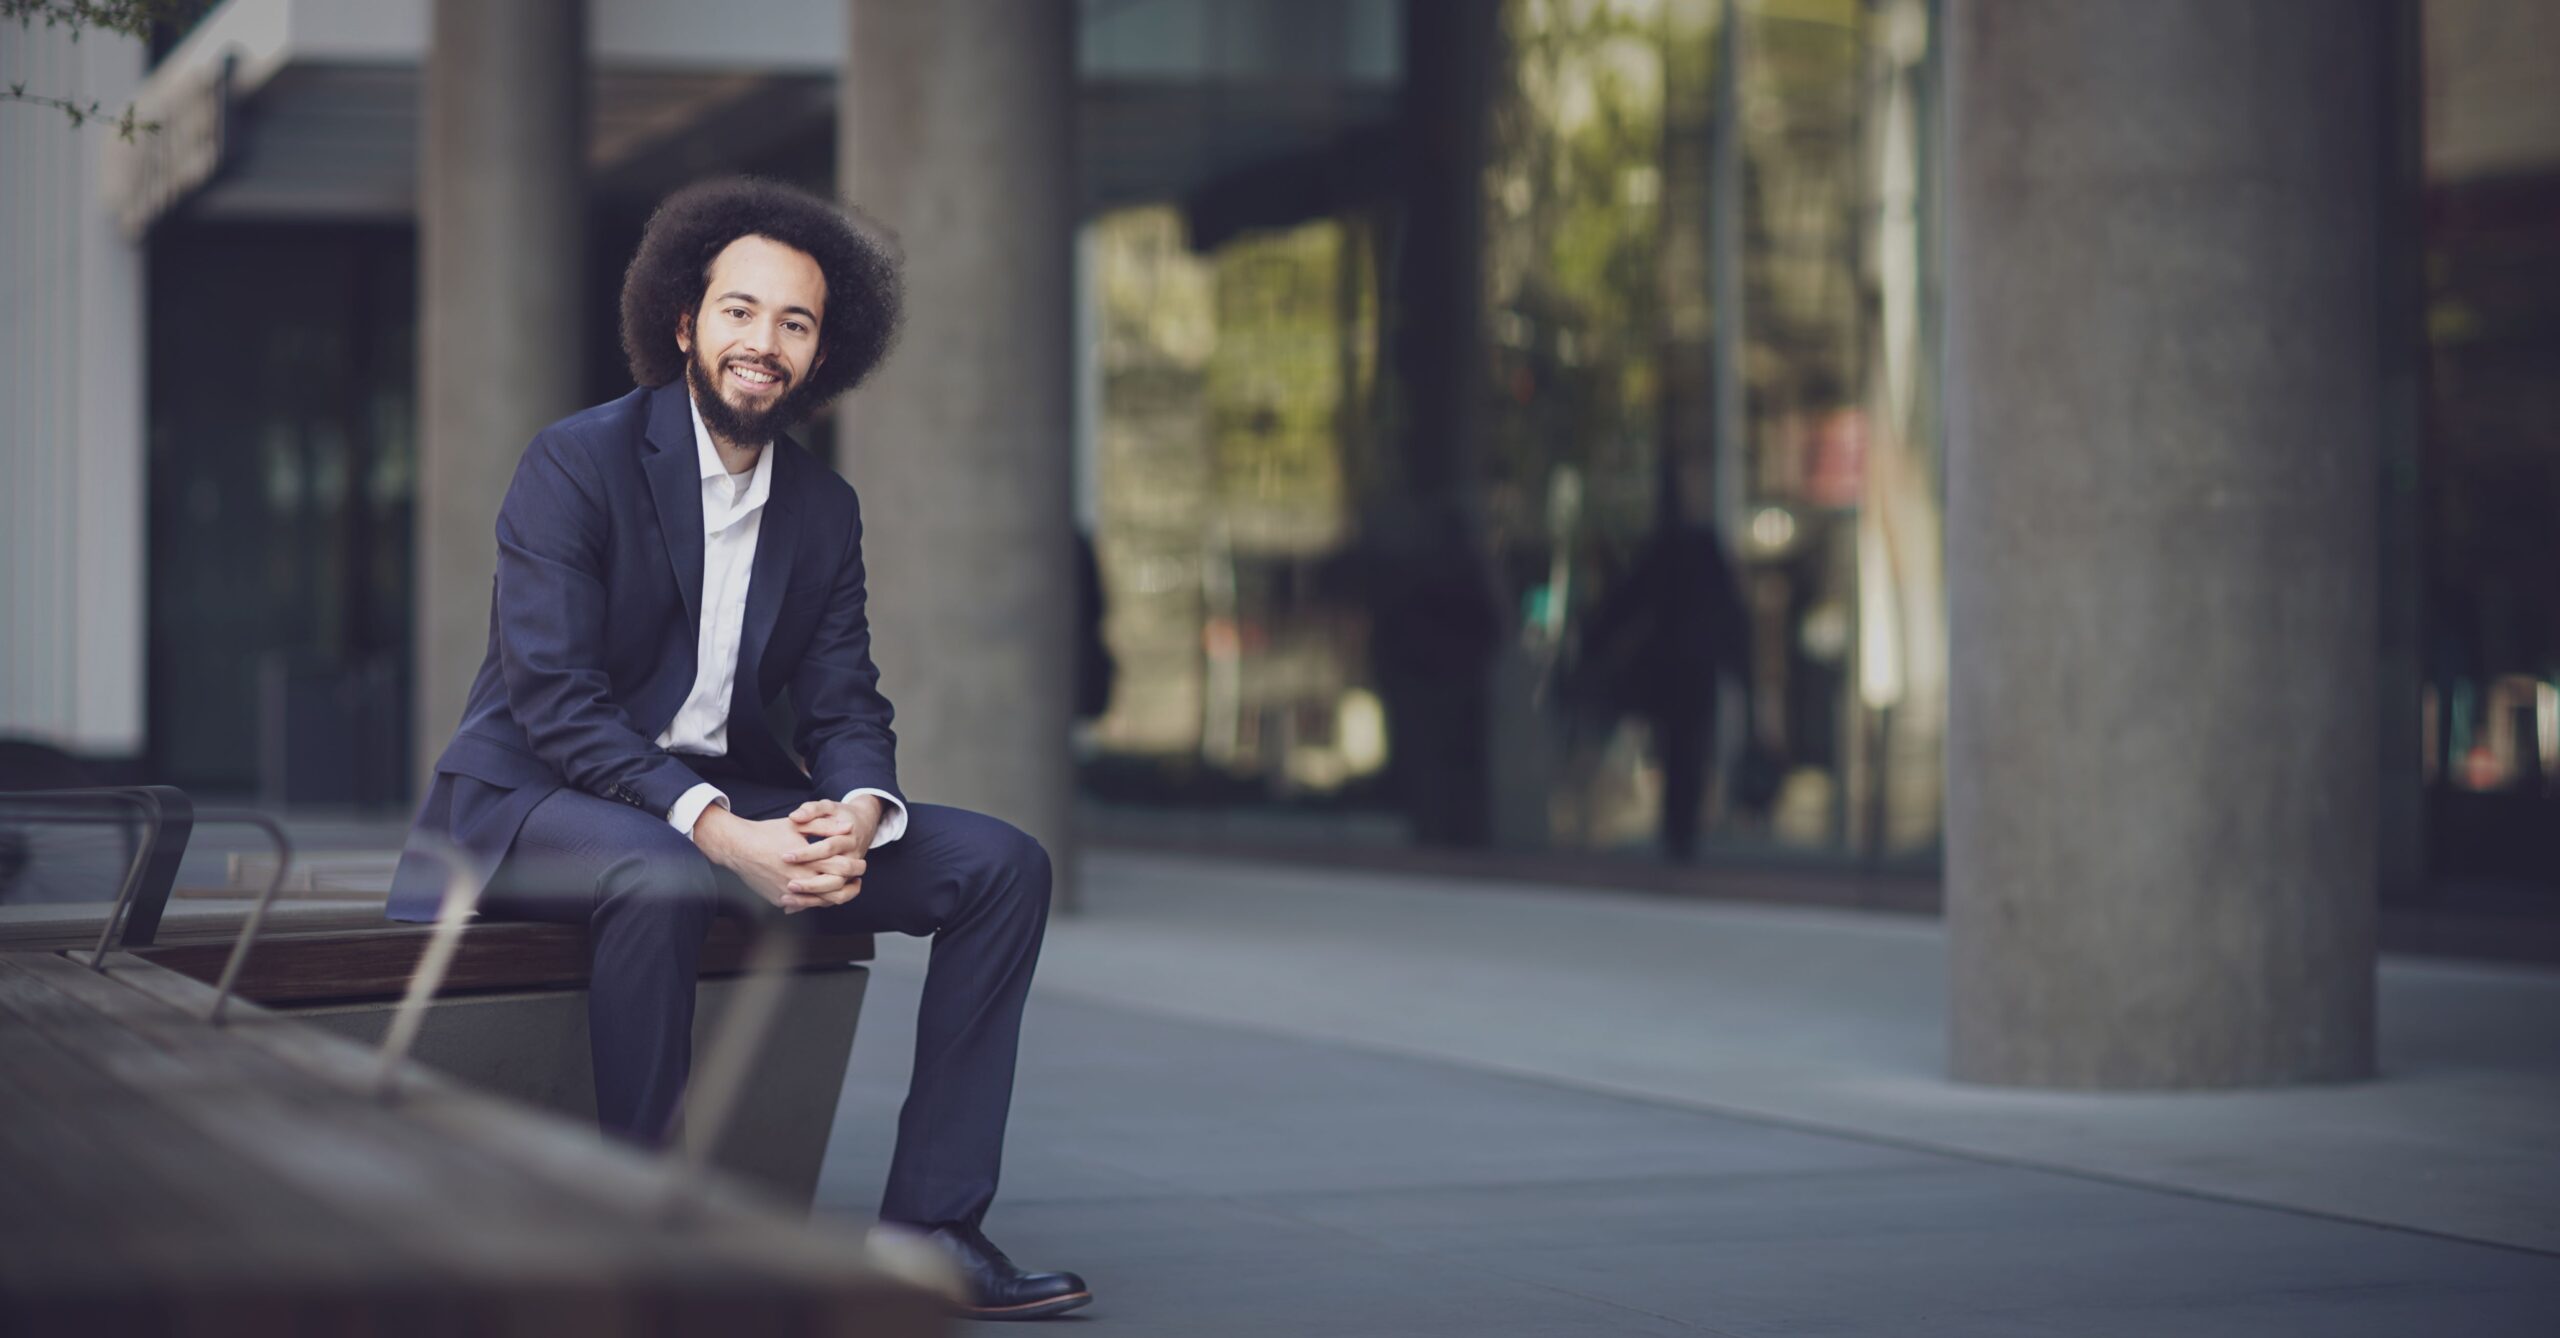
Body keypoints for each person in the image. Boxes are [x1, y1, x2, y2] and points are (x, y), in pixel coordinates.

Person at [386, 177, 1088, 1320]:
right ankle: (652, 1238)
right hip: (527, 802)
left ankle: (933, 1233)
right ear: (683, 323)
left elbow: (845, 700)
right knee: (663, 869)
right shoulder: (576, 463)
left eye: (795, 324)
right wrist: (722, 833)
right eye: (740, 311)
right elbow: (556, 702)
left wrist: (858, 812)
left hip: (718, 805)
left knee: (1001, 865)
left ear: (822, 355)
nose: (764, 342)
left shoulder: (822, 508)